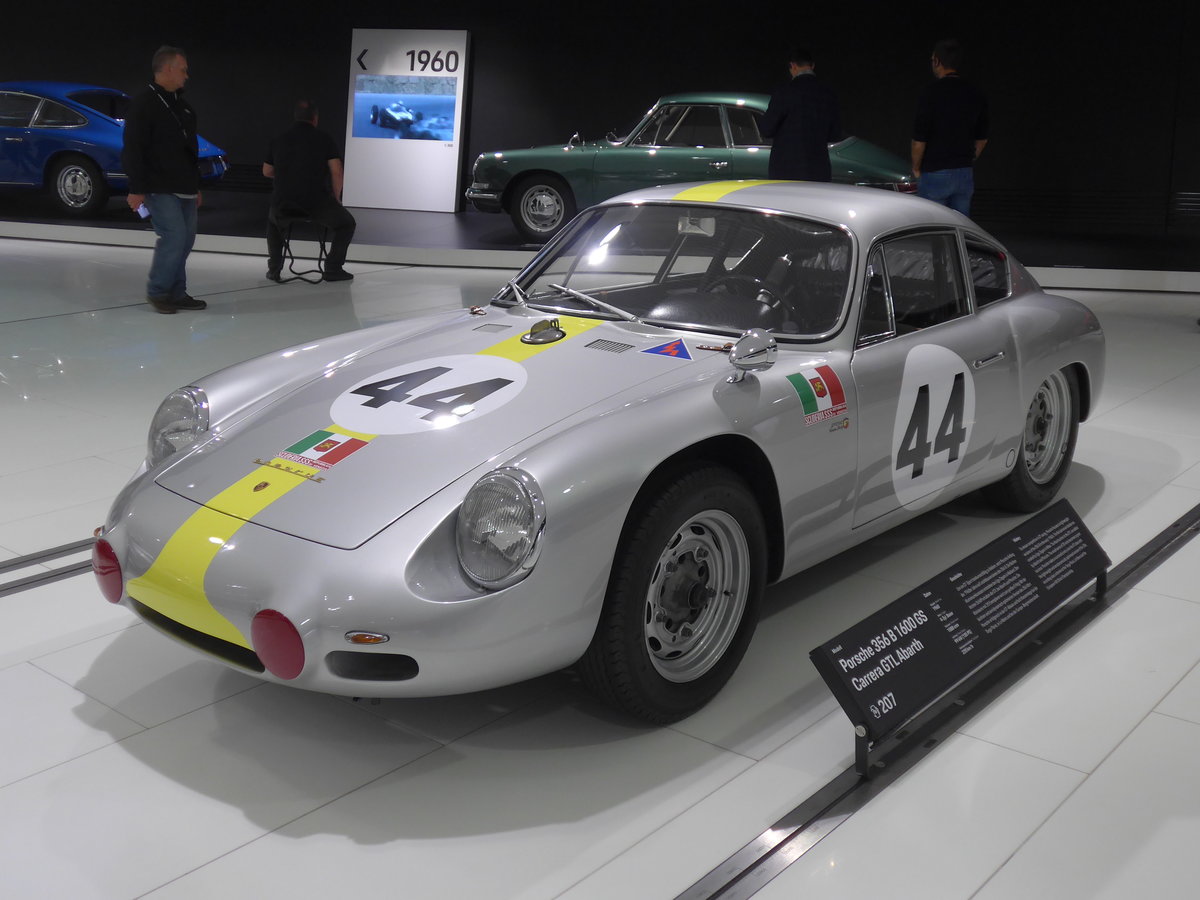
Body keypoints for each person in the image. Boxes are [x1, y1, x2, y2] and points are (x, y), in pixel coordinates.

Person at [121, 45, 207, 314]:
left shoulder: (184, 108)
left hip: (185, 187)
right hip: (159, 186)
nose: (186, 75)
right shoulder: (144, 104)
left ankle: (176, 292)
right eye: (183, 69)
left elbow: (190, 150)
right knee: (174, 237)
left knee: (185, 240)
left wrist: (196, 186)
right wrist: (137, 189)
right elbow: (133, 147)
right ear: (167, 69)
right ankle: (158, 292)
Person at [263, 99, 357, 282]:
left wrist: (288, 175)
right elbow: (336, 170)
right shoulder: (324, 139)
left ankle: (274, 268)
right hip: (317, 204)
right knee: (347, 224)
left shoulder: (279, 139)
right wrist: (337, 198)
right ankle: (333, 268)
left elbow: (266, 171)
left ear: (295, 117)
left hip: (284, 203)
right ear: (315, 118)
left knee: (273, 223)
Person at [911, 38, 989, 216]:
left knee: (934, 228)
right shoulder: (975, 93)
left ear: (937, 61)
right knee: (960, 228)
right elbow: (982, 138)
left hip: (935, 171)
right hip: (964, 171)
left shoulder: (930, 92)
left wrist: (916, 168)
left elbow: (919, 140)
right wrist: (968, 158)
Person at [759, 46, 841, 182]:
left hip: (787, 170)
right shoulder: (828, 94)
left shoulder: (784, 92)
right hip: (819, 169)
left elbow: (767, 129)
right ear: (812, 66)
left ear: (793, 66)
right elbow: (835, 133)